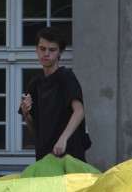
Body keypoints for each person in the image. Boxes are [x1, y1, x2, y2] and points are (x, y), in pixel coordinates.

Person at [19, 27, 89, 163]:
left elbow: (79, 111)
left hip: (69, 154)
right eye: (42, 49)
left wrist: (63, 139)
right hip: (44, 155)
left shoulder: (66, 77)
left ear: (61, 53)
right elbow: (36, 128)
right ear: (36, 50)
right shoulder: (34, 84)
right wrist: (26, 114)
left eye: (52, 50)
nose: (46, 54)